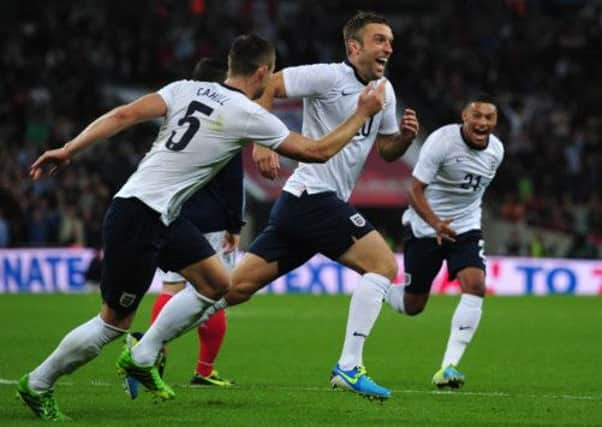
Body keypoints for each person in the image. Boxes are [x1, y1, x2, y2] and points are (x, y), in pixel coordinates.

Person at [17, 34, 386, 421]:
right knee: (113, 323)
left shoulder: (184, 87)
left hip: (160, 213)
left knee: (218, 284)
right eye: (270, 75)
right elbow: (317, 152)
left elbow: (123, 115)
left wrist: (68, 149)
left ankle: (143, 354)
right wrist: (361, 114)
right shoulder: (249, 113)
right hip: (139, 217)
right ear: (263, 72)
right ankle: (38, 383)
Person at [203, 11, 418, 400]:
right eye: (379, 40)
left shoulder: (383, 90)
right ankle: (349, 367)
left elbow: (386, 150)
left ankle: (146, 344)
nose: (389, 47)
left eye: (390, 41)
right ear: (354, 48)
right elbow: (269, 83)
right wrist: (265, 140)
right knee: (383, 265)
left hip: (306, 204)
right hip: (312, 196)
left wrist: (403, 138)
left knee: (233, 290)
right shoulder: (328, 76)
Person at [127, 58, 238, 397]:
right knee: (218, 291)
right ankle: (193, 365)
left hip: (171, 214)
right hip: (212, 220)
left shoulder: (179, 112)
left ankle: (148, 347)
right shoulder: (226, 118)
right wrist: (236, 223)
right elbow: (234, 178)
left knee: (173, 287)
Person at [385, 93, 504, 389]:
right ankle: (379, 288)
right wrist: (435, 222)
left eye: (489, 118)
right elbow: (414, 190)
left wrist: (459, 223)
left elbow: (472, 193)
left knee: (476, 285)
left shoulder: (497, 150)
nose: (482, 122)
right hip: (425, 228)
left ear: (495, 122)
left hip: (465, 228)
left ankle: (448, 368)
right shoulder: (441, 142)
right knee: (414, 305)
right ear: (464, 117)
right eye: (477, 116)